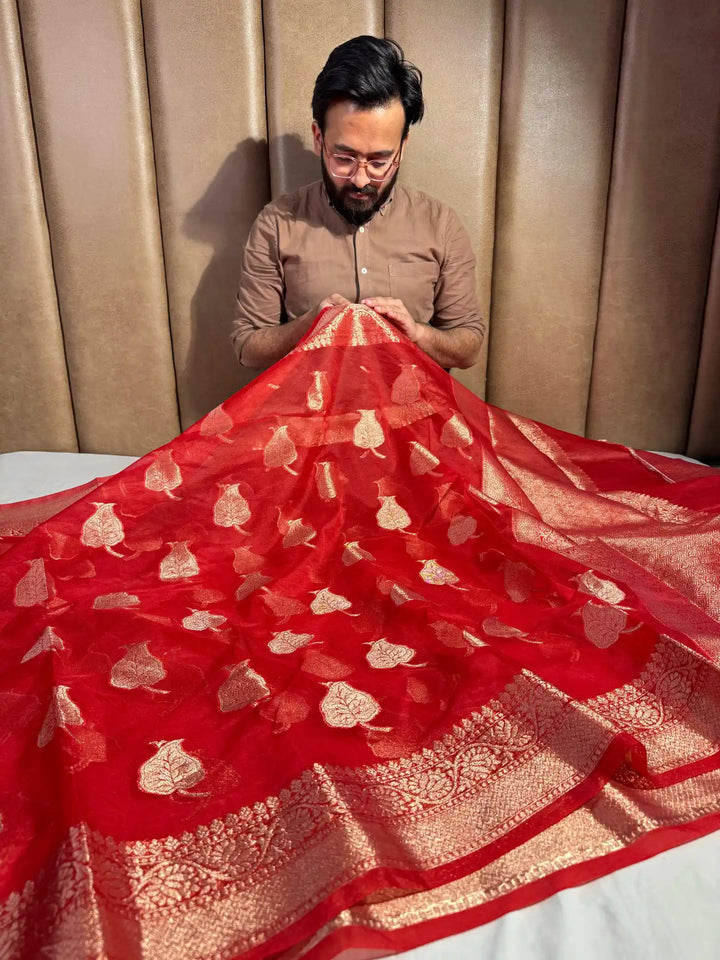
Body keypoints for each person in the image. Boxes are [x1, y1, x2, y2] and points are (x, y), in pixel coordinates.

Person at [232, 35, 485, 371]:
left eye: (380, 161)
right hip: (310, 417)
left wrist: (418, 334)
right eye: (344, 157)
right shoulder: (277, 223)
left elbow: (468, 347)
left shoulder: (441, 225)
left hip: (414, 417)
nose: (361, 179)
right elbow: (247, 347)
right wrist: (309, 326)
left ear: (402, 146)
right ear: (319, 137)